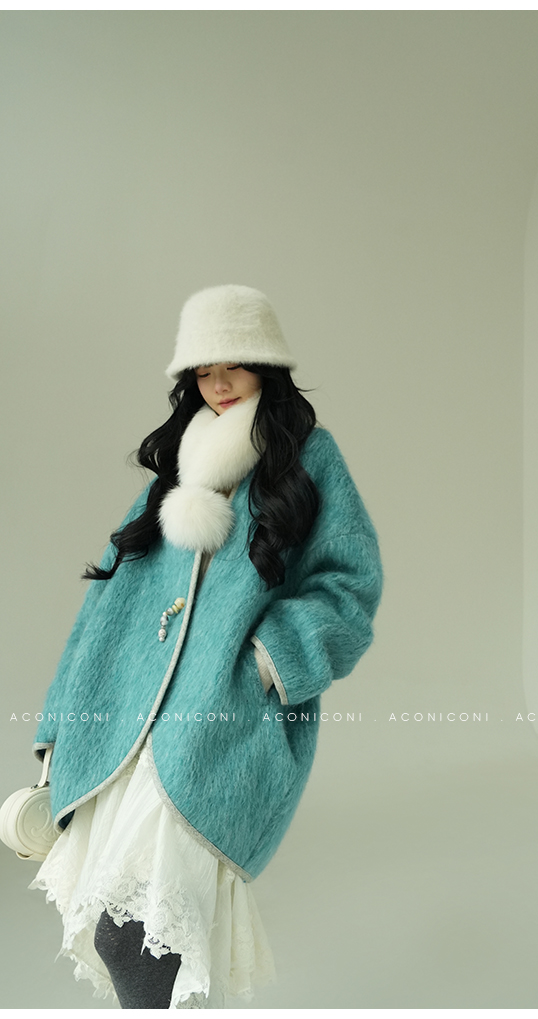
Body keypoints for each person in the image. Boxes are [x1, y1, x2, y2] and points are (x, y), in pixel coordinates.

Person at [29, 285, 383, 1009]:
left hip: (218, 722)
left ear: (267, 365)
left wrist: (267, 660)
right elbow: (106, 603)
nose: (218, 385)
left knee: (142, 931)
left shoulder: (310, 457)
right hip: (126, 718)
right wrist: (61, 722)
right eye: (203, 370)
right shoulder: (179, 463)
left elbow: (350, 587)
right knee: (122, 930)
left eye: (234, 366)